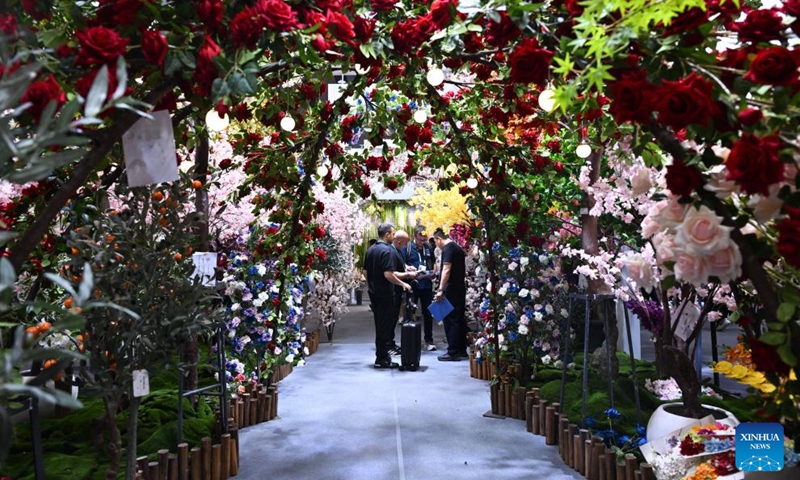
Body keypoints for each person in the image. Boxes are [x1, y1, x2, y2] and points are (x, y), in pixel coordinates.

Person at [364, 223, 412, 369]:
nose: (394, 236)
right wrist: (402, 284)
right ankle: (383, 358)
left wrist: (373, 283)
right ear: (387, 235)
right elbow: (388, 274)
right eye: (393, 233)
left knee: (380, 325)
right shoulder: (387, 251)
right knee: (385, 326)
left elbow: (365, 272)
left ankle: (381, 357)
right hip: (385, 293)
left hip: (373, 293)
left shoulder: (370, 250)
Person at [433, 228, 468, 361]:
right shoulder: (457, 248)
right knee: (459, 318)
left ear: (438, 239)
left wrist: (441, 289)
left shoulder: (448, 249)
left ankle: (453, 351)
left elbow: (446, 269)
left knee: (450, 319)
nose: (436, 245)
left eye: (436, 242)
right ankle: (461, 349)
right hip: (459, 287)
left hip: (451, 288)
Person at [406, 225, 437, 351]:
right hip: (413, 285)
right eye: (420, 240)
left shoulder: (428, 247)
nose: (422, 243)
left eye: (424, 240)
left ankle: (428, 340)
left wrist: (433, 273)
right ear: (415, 236)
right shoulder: (407, 248)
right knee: (410, 312)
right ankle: (409, 339)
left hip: (427, 285)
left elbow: (434, 262)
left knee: (428, 313)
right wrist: (409, 270)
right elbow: (401, 263)